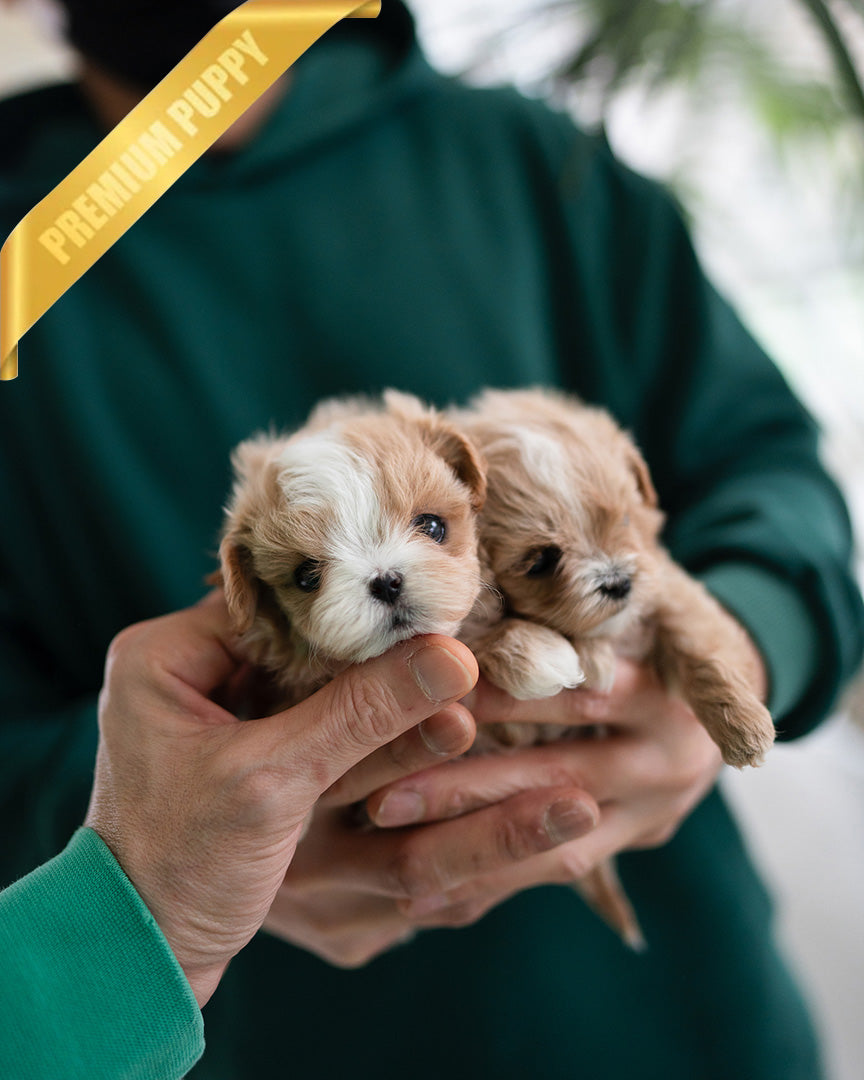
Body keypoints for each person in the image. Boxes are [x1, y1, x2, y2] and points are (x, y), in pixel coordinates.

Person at [1, 1, 862, 1078]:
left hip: (682, 1021)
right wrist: (135, 860)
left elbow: (763, 457)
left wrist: (734, 647)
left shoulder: (526, 156)